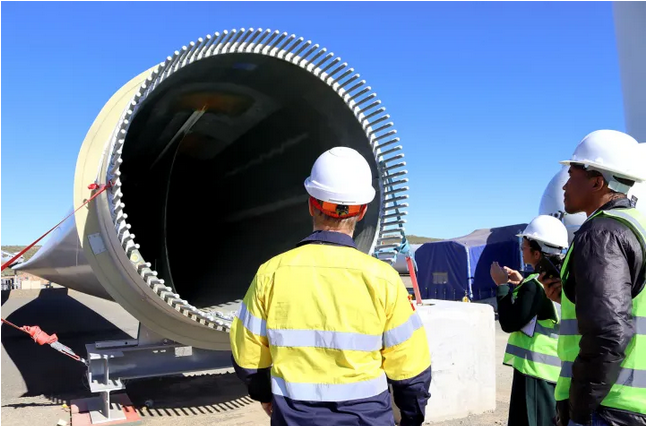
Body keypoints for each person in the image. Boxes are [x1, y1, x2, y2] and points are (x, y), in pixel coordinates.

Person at [229, 146, 432, 426]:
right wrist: (411, 417)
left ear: (312, 204)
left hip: (293, 417)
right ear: (361, 211)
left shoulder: (271, 274)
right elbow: (411, 366)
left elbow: (248, 355)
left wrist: (264, 394)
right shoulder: (383, 279)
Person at [542, 130, 646, 426]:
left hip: (610, 406)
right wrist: (572, 295)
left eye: (572, 172)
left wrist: (581, 407)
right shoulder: (638, 225)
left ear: (597, 181)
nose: (564, 183)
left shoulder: (601, 233)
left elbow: (608, 332)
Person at [490, 215, 568, 426]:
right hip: (553, 372)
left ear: (536, 253)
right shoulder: (559, 280)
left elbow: (509, 322)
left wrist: (502, 285)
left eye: (524, 246)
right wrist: (522, 282)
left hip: (535, 374)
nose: (522, 250)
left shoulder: (536, 286)